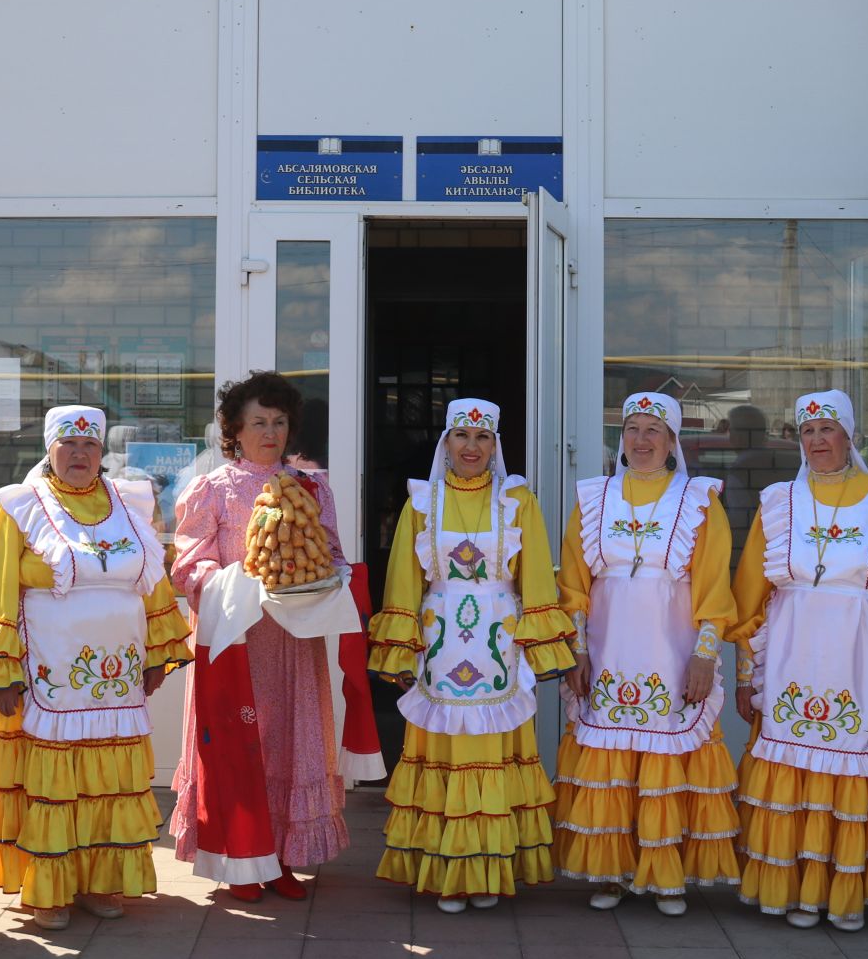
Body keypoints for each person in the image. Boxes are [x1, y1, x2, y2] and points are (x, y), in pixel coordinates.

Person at [0, 406, 192, 929]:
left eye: (90, 445)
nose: (81, 454)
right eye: (69, 445)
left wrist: (157, 653)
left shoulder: (130, 504)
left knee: (107, 782)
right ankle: (49, 890)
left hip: (115, 678)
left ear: (101, 451)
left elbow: (152, 581)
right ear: (50, 449)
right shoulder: (20, 507)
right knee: (54, 784)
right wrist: (1, 673)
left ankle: (98, 881)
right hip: (48, 678)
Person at [728, 390, 868, 931]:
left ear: (851, 438)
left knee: (853, 754)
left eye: (827, 430)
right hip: (792, 653)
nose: (817, 441)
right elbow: (750, 596)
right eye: (807, 432)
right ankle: (797, 887)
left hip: (858, 654)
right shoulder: (779, 503)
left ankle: (846, 891)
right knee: (793, 760)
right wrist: (745, 675)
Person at [368, 398, 577, 912]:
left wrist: (539, 643)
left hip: (499, 641)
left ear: (495, 446)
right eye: (462, 436)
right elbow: (403, 577)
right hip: (439, 640)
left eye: (483, 438)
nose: (472, 447)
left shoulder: (517, 499)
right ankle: (448, 872)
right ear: (446, 442)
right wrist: (401, 649)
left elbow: (534, 574)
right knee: (445, 750)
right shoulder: (422, 502)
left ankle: (489, 869)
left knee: (493, 750)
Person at [169, 372, 360, 900]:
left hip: (294, 640)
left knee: (287, 741)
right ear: (233, 429)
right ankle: (238, 859)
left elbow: (333, 552)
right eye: (258, 422)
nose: (270, 431)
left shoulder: (311, 487)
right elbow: (188, 563)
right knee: (239, 745)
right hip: (236, 641)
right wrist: (233, 584)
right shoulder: (212, 488)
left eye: (278, 422)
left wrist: (333, 578)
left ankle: (278, 858)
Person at [553, 393, 741, 914]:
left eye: (653, 430)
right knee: (611, 754)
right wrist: (577, 649)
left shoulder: (700, 501)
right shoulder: (594, 497)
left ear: (673, 442)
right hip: (609, 647)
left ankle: (665, 875)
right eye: (632, 429)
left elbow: (712, 585)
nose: (640, 440)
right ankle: (610, 871)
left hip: (671, 647)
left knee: (666, 752)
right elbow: (574, 583)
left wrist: (705, 655)